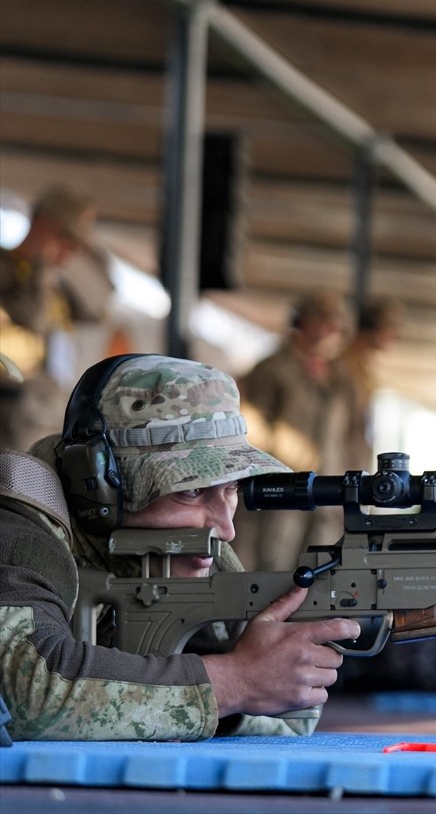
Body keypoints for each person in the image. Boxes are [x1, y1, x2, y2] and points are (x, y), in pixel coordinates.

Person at [0, 354, 360, 741]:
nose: (225, 529)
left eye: (231, 488)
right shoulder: (19, 530)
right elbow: (24, 693)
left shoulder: (191, 548)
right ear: (99, 485)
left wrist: (258, 682)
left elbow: (289, 719)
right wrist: (233, 682)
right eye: (190, 491)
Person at [235, 293, 356, 570]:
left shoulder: (341, 377)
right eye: (324, 321)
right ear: (302, 322)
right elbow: (251, 425)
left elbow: (350, 436)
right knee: (274, 562)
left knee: (322, 564)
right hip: (282, 487)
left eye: (338, 324)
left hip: (328, 488)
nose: (333, 330)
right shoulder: (272, 369)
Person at [0, 184, 113, 450]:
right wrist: (39, 263)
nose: (69, 253)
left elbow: (99, 309)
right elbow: (32, 319)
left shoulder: (59, 281)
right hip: (12, 405)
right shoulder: (9, 268)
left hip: (49, 404)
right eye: (65, 239)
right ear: (42, 224)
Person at [341, 299, 403, 472]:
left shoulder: (363, 370)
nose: (397, 335)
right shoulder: (342, 367)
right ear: (372, 328)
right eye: (391, 326)